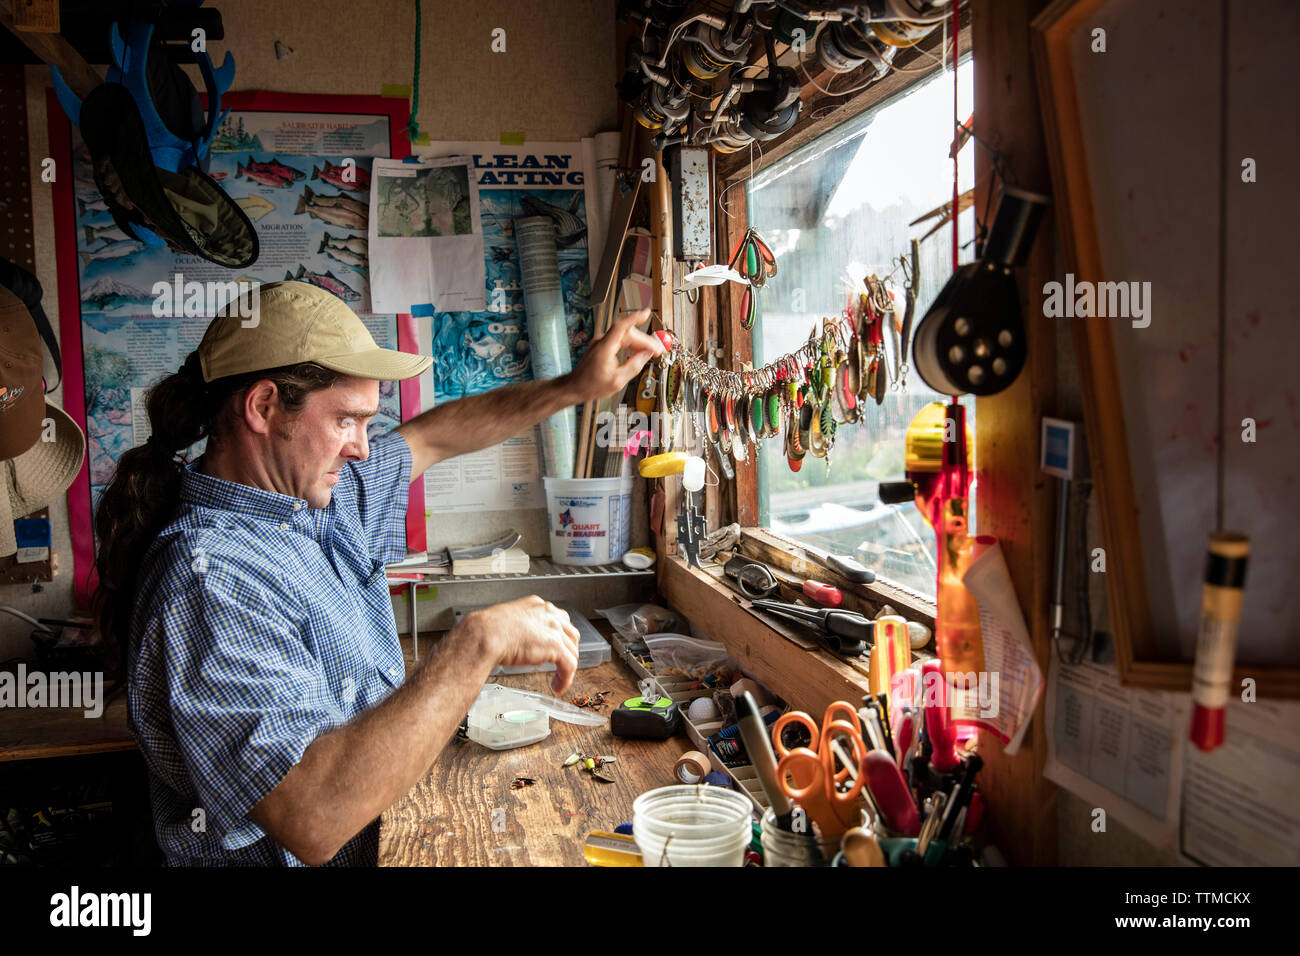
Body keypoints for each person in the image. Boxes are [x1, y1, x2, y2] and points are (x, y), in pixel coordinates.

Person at [92, 280, 664, 866]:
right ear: (263, 407)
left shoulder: (320, 502)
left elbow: (437, 434)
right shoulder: (212, 576)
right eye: (347, 420)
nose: (364, 448)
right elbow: (312, 818)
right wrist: (476, 643)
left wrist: (574, 387)